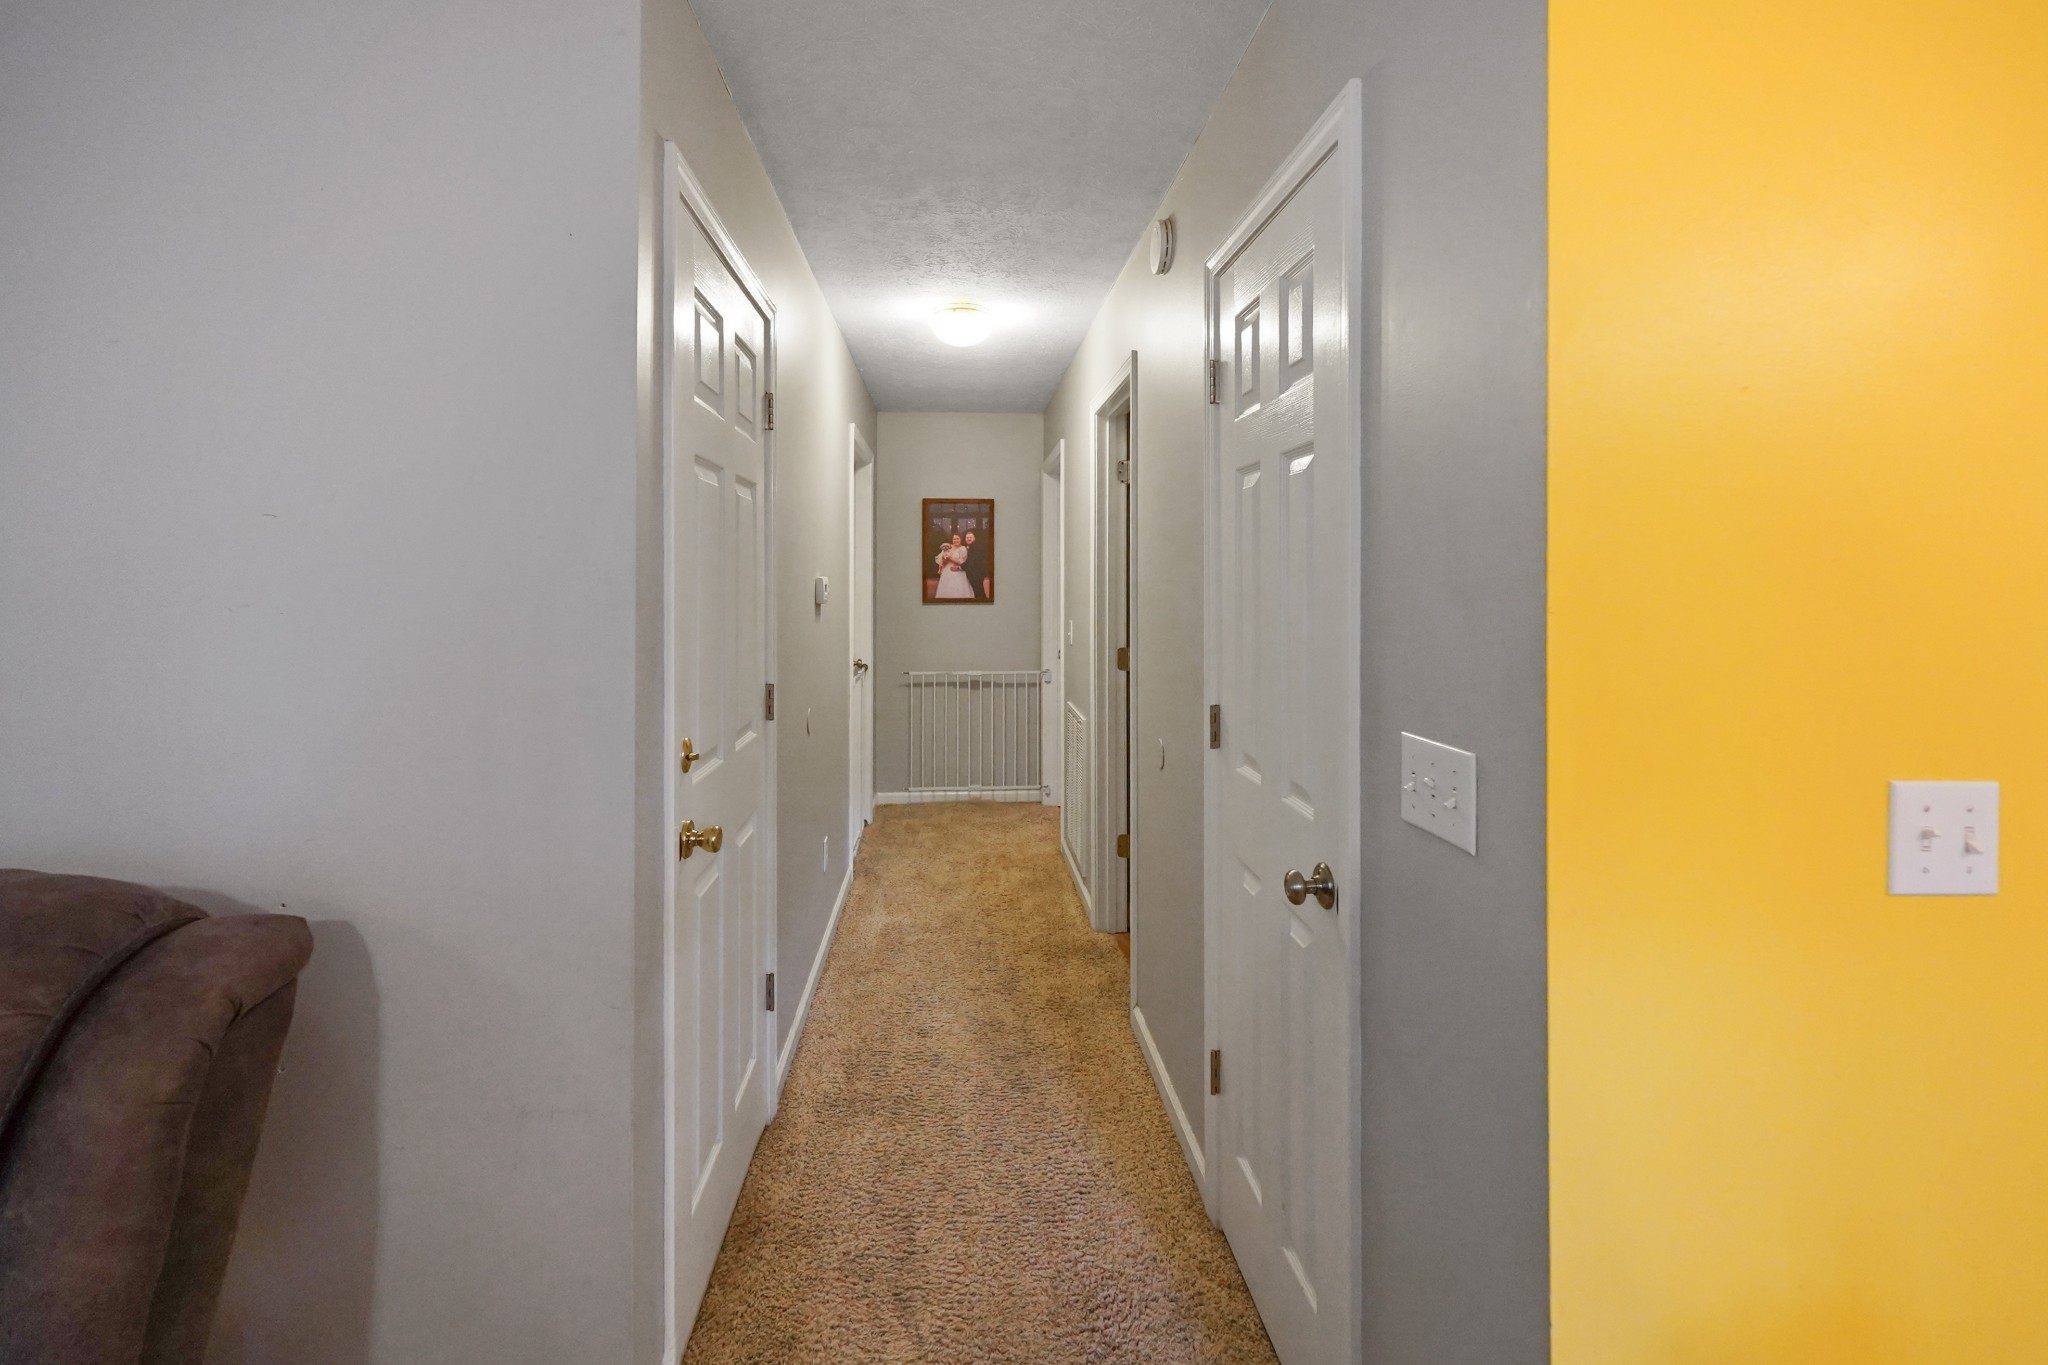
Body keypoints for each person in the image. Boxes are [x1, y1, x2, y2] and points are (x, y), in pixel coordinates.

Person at [934, 533, 974, 599]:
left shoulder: (963, 549)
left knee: (957, 588)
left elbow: (962, 562)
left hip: (958, 571)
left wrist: (951, 559)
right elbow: (943, 563)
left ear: (960, 539)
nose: (956, 540)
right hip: (947, 571)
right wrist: (945, 559)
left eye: (957, 539)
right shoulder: (948, 547)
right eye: (954, 539)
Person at [962, 528, 992, 602]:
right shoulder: (970, 547)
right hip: (974, 573)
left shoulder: (976, 547)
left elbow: (971, 561)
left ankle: (983, 604)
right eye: (967, 537)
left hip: (976, 573)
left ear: (974, 538)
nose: (968, 539)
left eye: (970, 537)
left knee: (978, 591)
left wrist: (960, 566)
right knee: (978, 591)